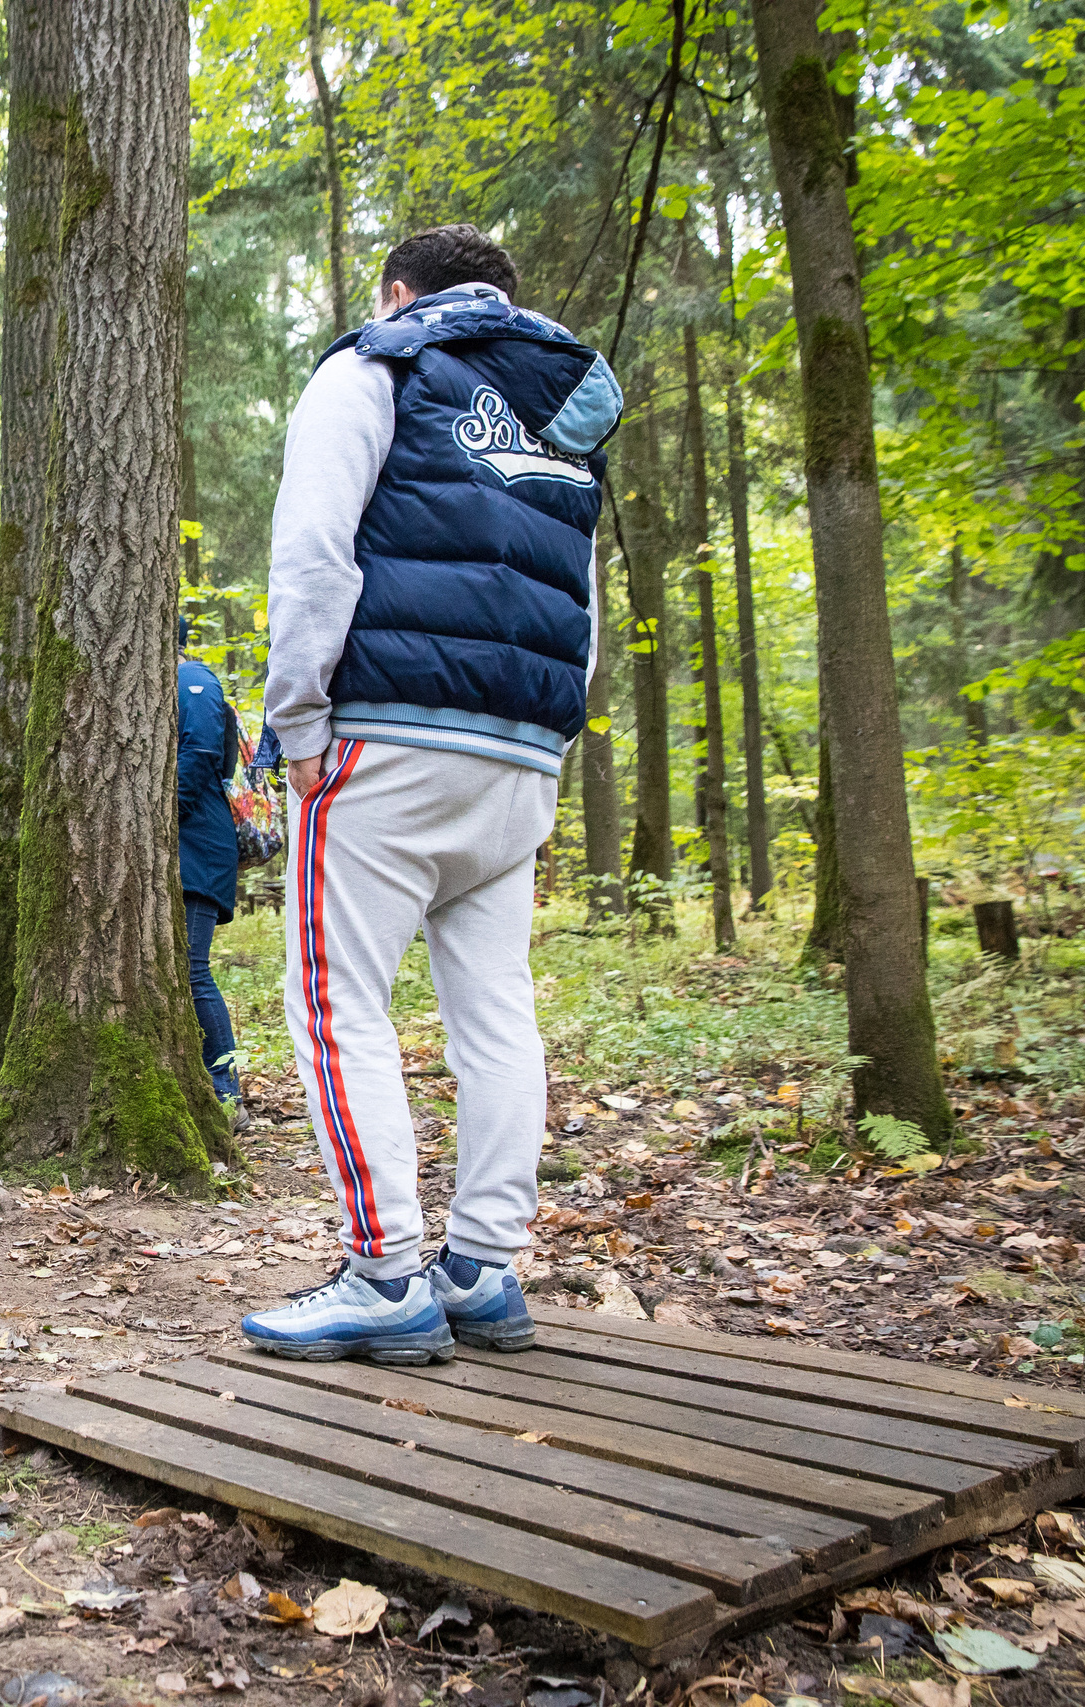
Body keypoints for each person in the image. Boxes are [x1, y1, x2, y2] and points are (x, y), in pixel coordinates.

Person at [239, 224, 620, 1364]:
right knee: (495, 1006)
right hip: (520, 753)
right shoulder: (567, 416)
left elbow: (313, 551)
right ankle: (482, 1267)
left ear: (401, 293)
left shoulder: (372, 366)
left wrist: (298, 721)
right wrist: (550, 734)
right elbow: (584, 598)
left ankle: (384, 1273)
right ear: (505, 301)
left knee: (335, 1001)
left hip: (383, 741)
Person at [175, 617, 246, 1123]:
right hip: (188, 844)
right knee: (182, 968)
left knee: (193, 969)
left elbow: (204, 753)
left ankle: (227, 1092)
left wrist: (164, 814)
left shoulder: (193, 679)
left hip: (200, 845)